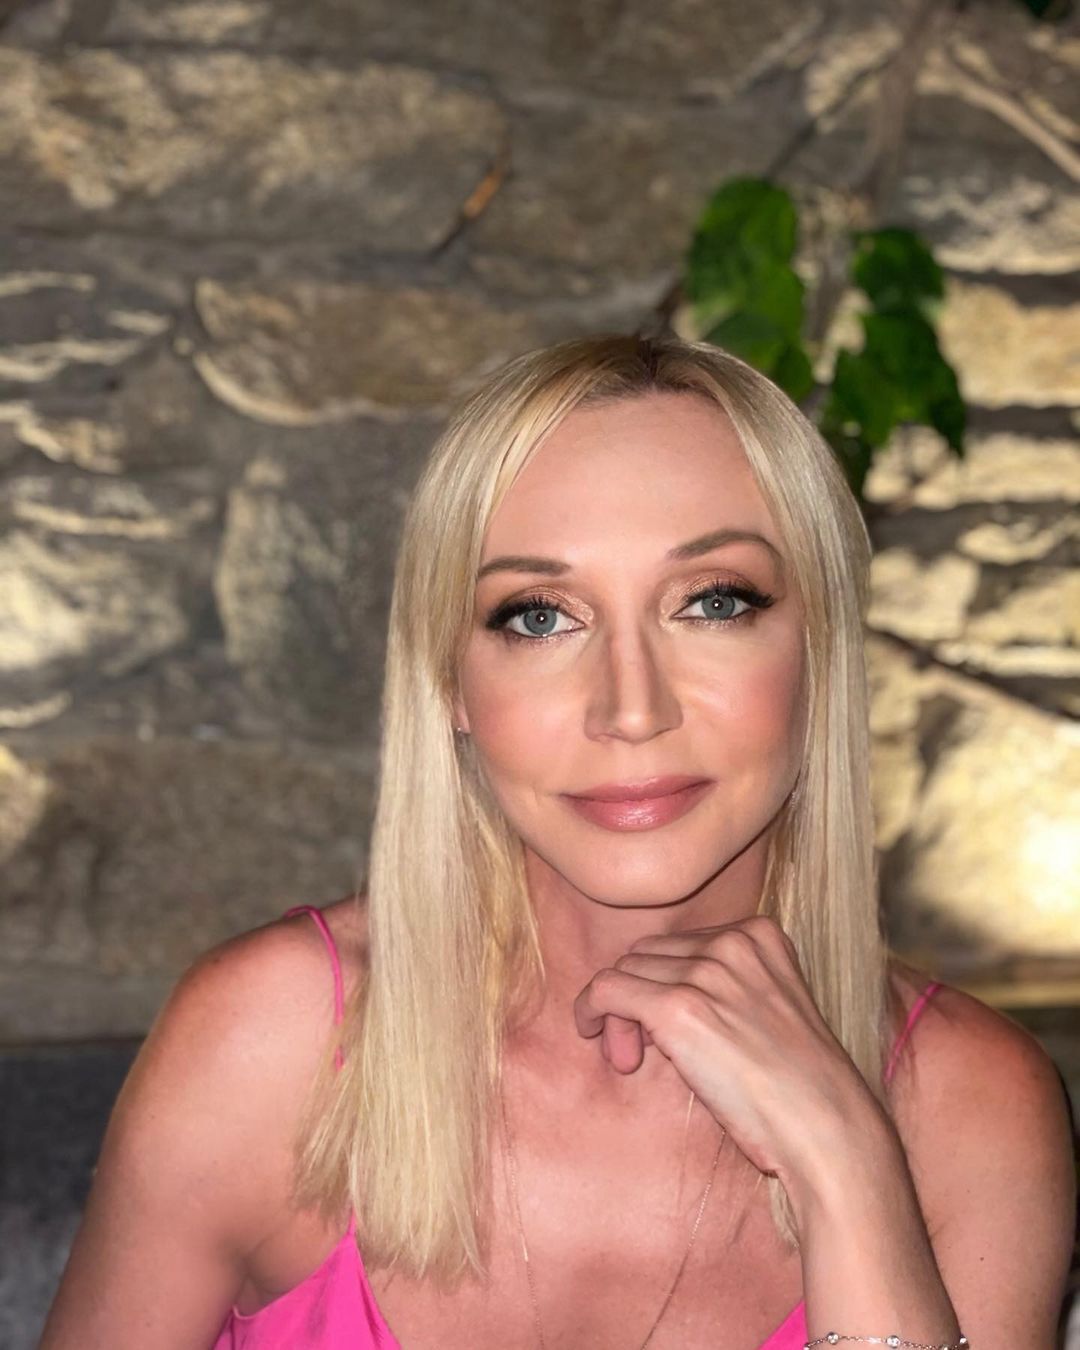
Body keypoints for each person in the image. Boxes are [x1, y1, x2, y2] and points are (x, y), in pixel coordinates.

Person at [41, 334, 1074, 1350]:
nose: (632, 709)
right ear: (450, 679)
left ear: (819, 651)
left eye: (712, 603)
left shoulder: (970, 1110)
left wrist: (844, 1167)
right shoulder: (272, 1042)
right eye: (539, 618)